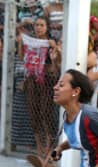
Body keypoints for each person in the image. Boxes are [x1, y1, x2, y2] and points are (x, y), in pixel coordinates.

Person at [17, 16, 60, 156]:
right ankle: (39, 145)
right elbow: (21, 56)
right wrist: (20, 42)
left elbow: (56, 65)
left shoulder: (51, 42)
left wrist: (55, 48)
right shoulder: (30, 42)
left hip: (46, 80)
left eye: (41, 25)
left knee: (45, 111)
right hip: (31, 80)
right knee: (33, 111)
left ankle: (48, 144)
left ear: (47, 27)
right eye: (36, 25)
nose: (38, 27)